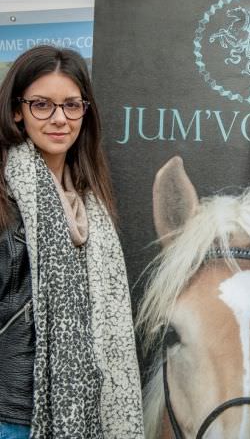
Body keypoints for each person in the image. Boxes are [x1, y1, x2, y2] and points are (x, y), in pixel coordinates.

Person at [0, 45, 144, 438]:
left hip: (84, 411)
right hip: (13, 413)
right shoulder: (6, 199)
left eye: (72, 105)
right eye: (42, 105)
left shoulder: (90, 200)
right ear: (17, 110)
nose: (60, 119)